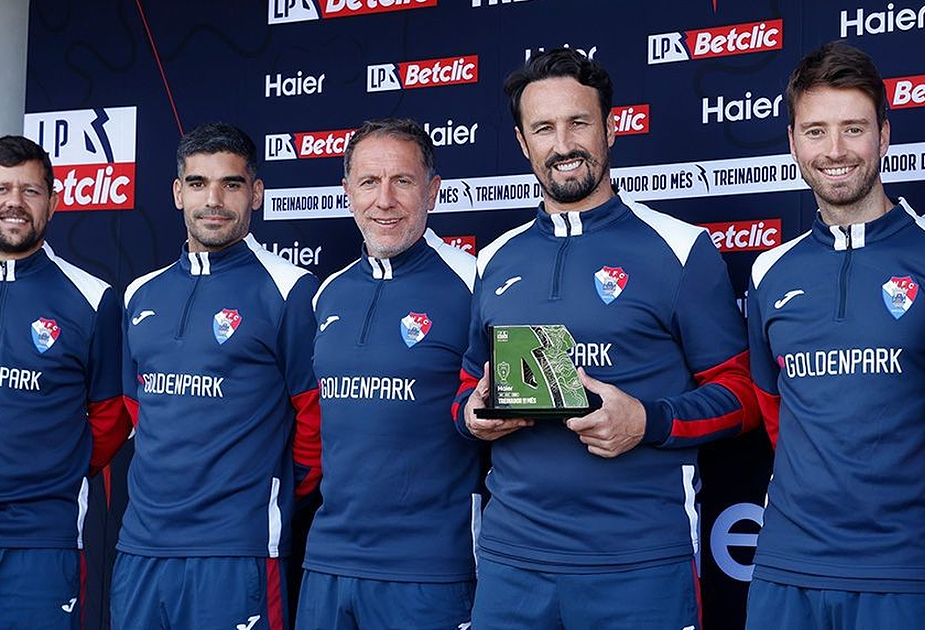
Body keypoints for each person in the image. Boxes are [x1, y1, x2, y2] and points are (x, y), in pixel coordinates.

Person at [454, 48, 760, 628]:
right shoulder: (494, 258)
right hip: (511, 567)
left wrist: (647, 420)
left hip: (639, 565)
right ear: (522, 142)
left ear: (611, 128)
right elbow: (466, 389)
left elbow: (743, 396)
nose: (563, 144)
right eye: (544, 128)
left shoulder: (680, 249)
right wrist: (474, 415)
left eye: (579, 122)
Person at [744, 42, 925, 629]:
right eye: (816, 131)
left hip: (906, 572)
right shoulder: (768, 271)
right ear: (792, 142)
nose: (835, 151)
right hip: (785, 569)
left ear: (884, 136)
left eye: (853, 129)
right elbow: (776, 411)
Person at [112, 122, 321, 630]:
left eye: (231, 184)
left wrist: (263, 496)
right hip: (141, 548)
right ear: (177, 192)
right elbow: (138, 410)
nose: (214, 200)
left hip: (237, 550)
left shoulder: (291, 290)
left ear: (256, 193)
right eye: (198, 183)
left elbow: (315, 421)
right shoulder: (140, 293)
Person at [295, 118, 481, 629]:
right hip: (327, 562)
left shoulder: (478, 282)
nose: (385, 200)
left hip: (430, 572)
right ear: (347, 191)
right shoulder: (326, 293)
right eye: (369, 182)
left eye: (402, 181)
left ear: (433, 191)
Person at [0, 135, 129, 629]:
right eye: (0, 189)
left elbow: (112, 416)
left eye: (30, 190)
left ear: (53, 201)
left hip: (42, 539)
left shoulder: (92, 299)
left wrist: (54, 471)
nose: (14, 202)